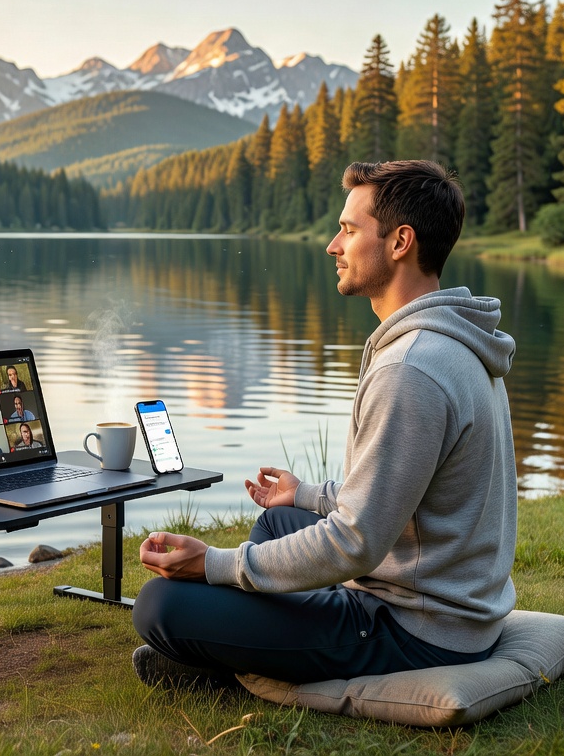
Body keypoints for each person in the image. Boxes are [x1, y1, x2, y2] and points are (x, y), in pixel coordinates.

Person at [132, 160, 518, 689]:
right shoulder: (450, 341)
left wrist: (216, 565)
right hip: (440, 597)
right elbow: (403, 495)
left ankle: (228, 661)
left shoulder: (411, 369)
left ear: (400, 241)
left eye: (349, 230)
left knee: (160, 606)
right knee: (276, 524)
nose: (333, 246)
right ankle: (247, 640)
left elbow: (355, 542)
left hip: (418, 626)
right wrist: (308, 495)